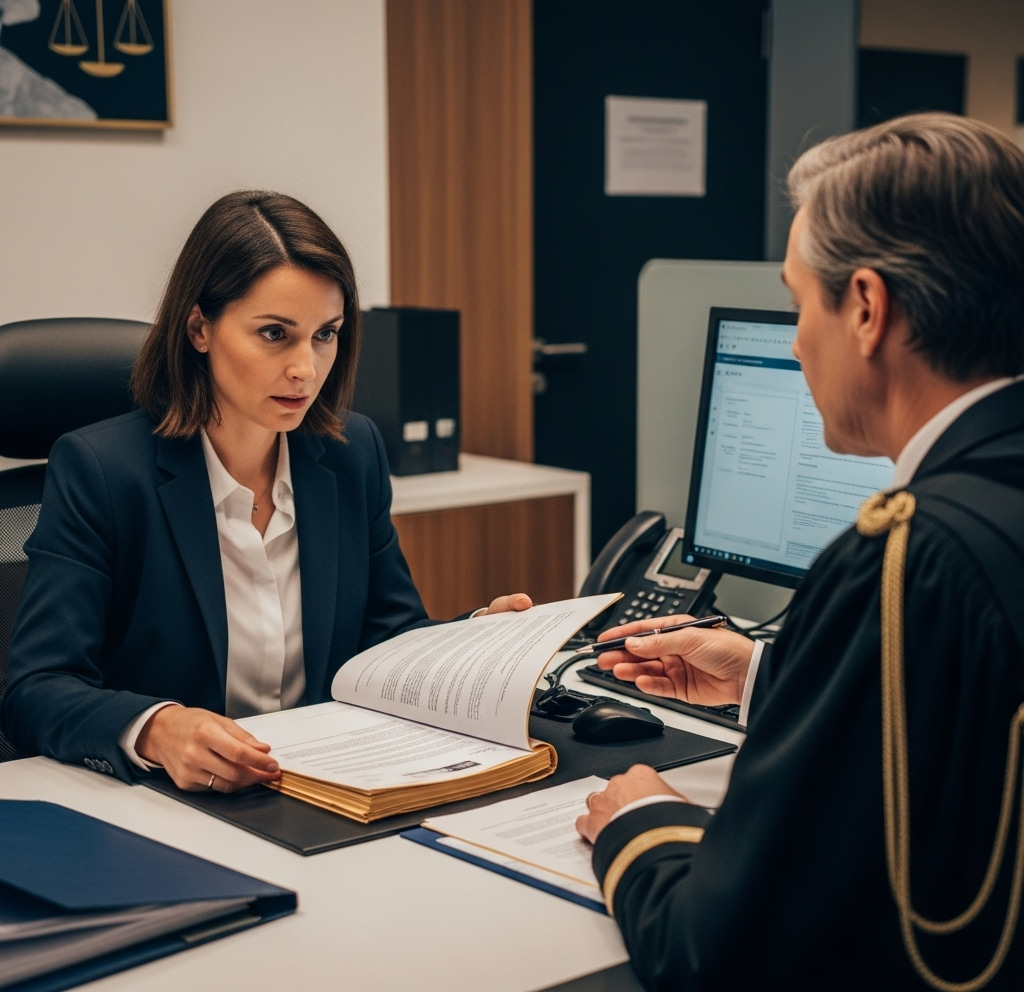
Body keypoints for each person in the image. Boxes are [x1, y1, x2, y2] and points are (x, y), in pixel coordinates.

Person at [576, 114, 1024, 990]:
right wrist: (761, 673)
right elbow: (956, 723)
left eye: (797, 302)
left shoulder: (904, 561)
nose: (792, 340)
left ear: (865, 307)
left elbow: (723, 956)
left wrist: (641, 827)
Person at [1, 190, 531, 793]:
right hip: (171, 803)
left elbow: (388, 638)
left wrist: (472, 642)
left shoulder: (349, 452)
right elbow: (35, 689)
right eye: (275, 334)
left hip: (325, 787)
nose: (306, 368)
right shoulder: (101, 469)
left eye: (325, 334)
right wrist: (156, 729)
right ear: (200, 327)